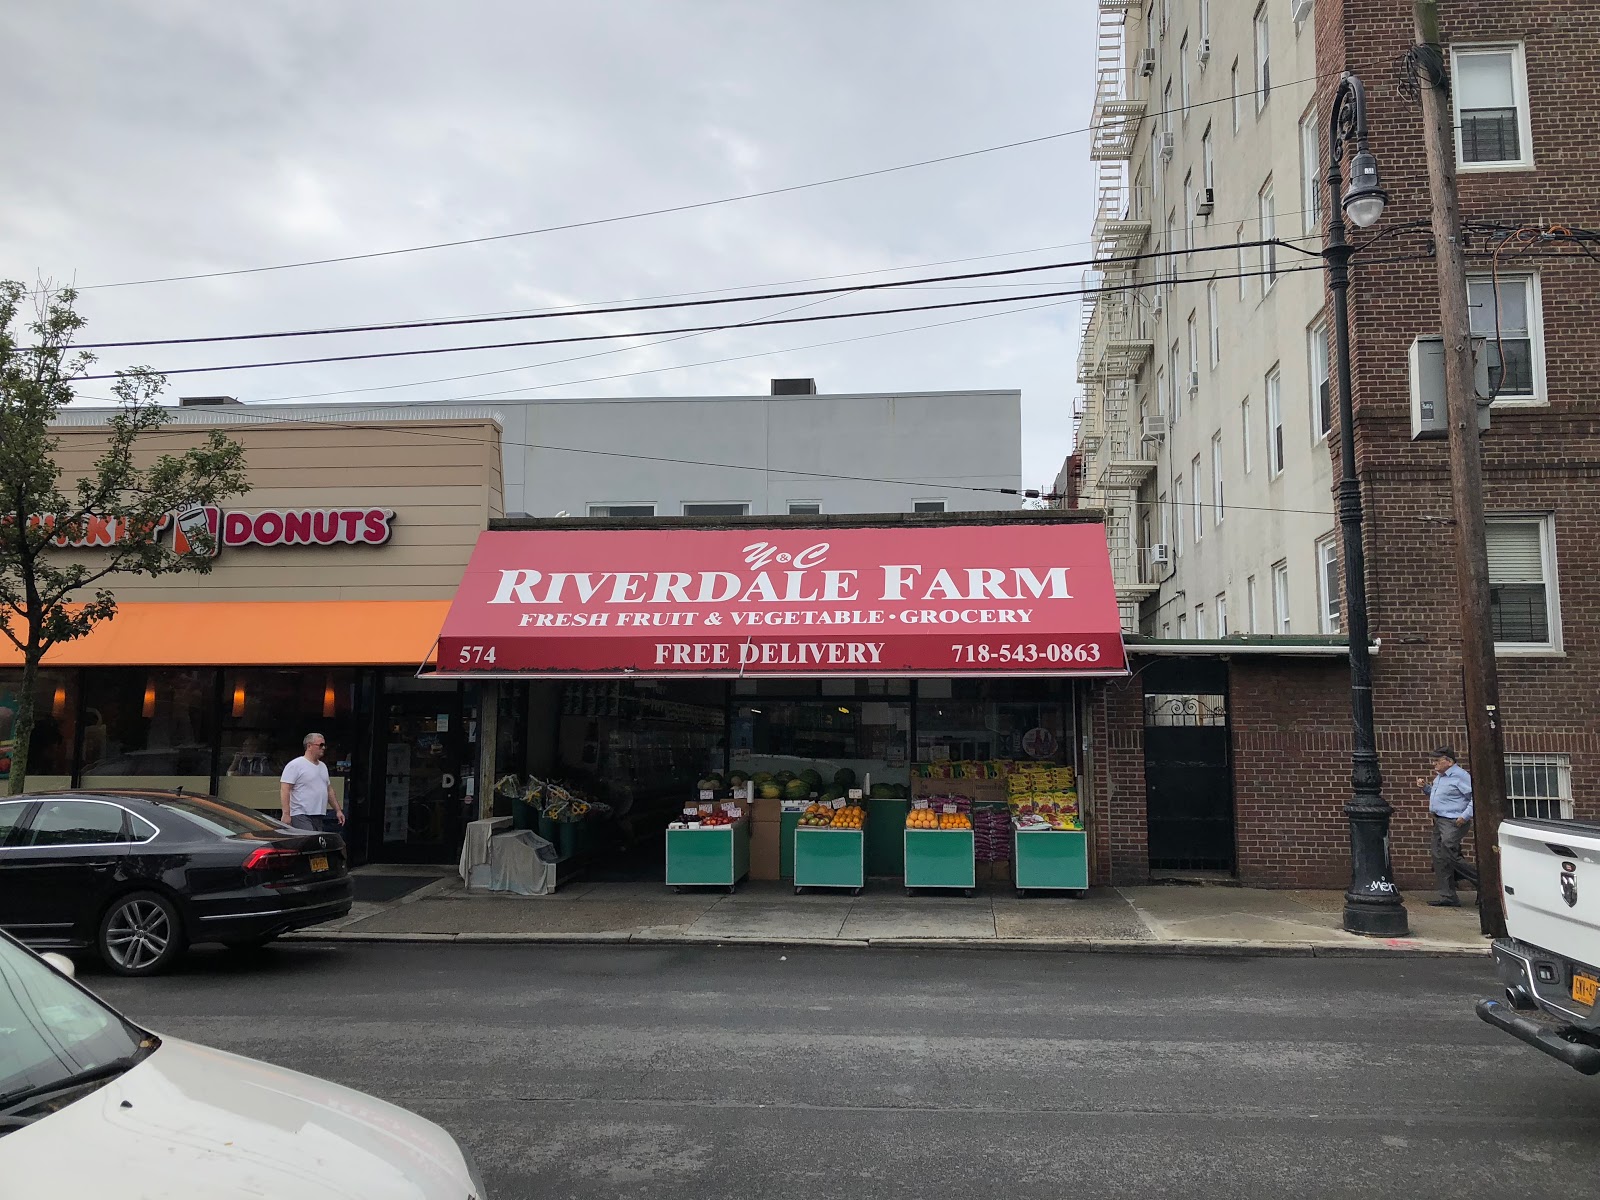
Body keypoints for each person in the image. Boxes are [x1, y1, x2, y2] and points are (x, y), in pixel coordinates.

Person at [1415, 746, 1477, 907]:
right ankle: (1447, 896)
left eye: (1437, 761)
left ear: (1449, 762)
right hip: (1439, 820)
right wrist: (1425, 788)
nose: (1434, 764)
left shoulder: (1460, 776)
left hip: (1453, 821)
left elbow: (1475, 797)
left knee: (1449, 854)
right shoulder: (1440, 777)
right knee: (1439, 857)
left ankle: (1482, 882)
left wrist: (1465, 816)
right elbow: (1440, 796)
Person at [280, 732, 346, 832]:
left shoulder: (323, 766)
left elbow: (328, 790)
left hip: (318, 814)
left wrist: (338, 810)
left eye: (324, 745)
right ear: (309, 746)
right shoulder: (296, 765)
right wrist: (286, 814)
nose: (323, 748)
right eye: (320, 745)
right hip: (300, 814)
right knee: (308, 842)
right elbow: (285, 789)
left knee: (315, 844)